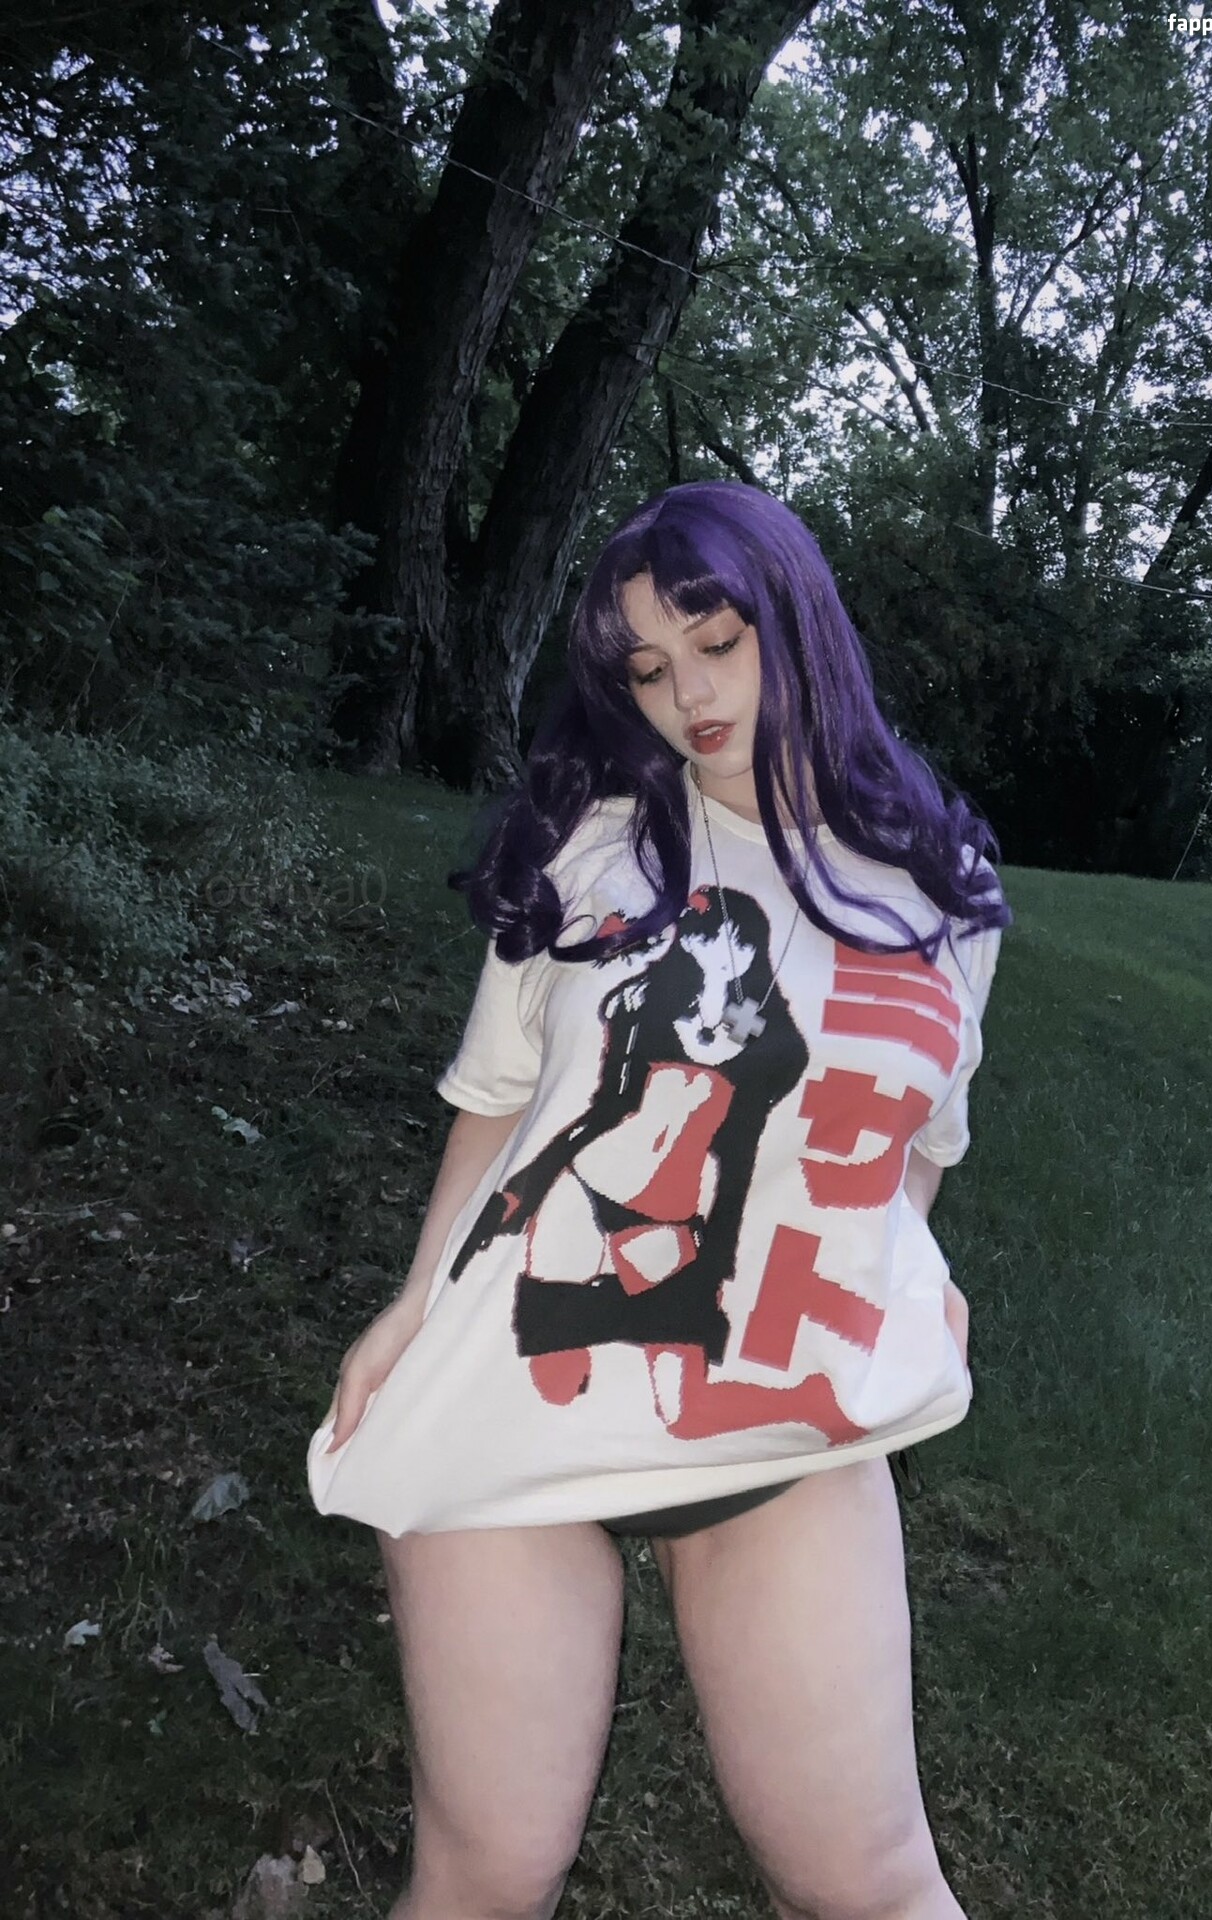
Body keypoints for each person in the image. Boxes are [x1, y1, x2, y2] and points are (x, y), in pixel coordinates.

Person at [307, 481, 1011, 1920]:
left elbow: (917, 1134)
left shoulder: (937, 889)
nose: (687, 696)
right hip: (524, 1367)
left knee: (870, 1881)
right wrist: (412, 1300)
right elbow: (496, 1097)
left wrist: (908, 1258)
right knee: (489, 1876)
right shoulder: (591, 846)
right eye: (646, 668)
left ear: (797, 624)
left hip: (776, 1400)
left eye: (717, 645)